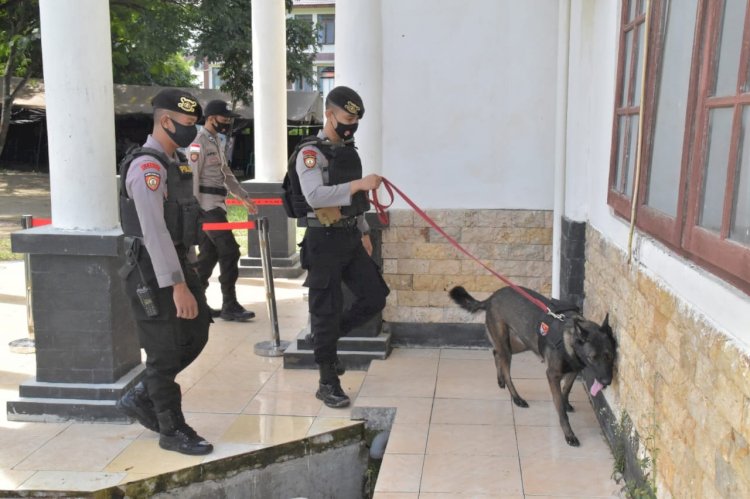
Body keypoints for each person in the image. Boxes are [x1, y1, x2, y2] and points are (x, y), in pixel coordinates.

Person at [116, 88, 213, 456]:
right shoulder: (148, 168)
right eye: (187, 124)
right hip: (150, 270)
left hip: (176, 262)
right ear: (165, 121)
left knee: (197, 330)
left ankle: (142, 395)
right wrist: (176, 286)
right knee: (163, 350)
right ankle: (171, 429)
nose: (192, 131)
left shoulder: (177, 162)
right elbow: (154, 232)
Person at [296, 86, 390, 408]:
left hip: (349, 235)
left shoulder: (348, 151)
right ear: (330, 114)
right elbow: (315, 197)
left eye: (356, 120)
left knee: (375, 296)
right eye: (347, 118)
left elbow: (355, 202)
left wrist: (363, 229)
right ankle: (327, 381)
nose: (351, 125)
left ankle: (326, 339)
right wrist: (360, 184)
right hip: (322, 240)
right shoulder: (310, 153)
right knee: (326, 309)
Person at [189, 100, 258, 322]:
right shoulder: (198, 142)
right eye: (224, 118)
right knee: (230, 251)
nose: (228, 122)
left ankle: (198, 304)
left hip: (218, 204)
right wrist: (195, 211)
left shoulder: (216, 141)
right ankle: (230, 305)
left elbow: (226, 174)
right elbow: (193, 179)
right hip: (206, 208)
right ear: (211, 118)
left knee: (209, 256)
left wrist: (244, 196)